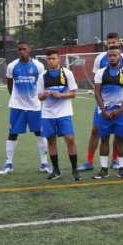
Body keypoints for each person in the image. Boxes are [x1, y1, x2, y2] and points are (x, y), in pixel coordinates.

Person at [79, 33, 123, 171]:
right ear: (106, 44)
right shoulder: (100, 59)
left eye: (113, 42)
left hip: (120, 105)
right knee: (95, 131)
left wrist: (121, 107)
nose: (111, 45)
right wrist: (103, 107)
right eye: (109, 43)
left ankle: (115, 160)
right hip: (102, 104)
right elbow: (97, 80)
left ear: (119, 43)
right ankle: (89, 162)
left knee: (118, 134)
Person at [0, 41, 49, 175]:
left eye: (24, 49)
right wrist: (16, 98)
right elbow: (9, 84)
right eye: (19, 49)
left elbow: (42, 84)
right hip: (17, 106)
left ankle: (44, 163)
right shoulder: (12, 66)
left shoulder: (38, 66)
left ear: (30, 50)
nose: (21, 51)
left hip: (35, 106)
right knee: (12, 133)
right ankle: (8, 163)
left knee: (40, 133)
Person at [92, 46, 123, 180]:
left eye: (115, 55)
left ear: (119, 57)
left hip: (120, 112)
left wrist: (120, 110)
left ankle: (121, 170)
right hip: (104, 112)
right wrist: (103, 110)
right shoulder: (100, 73)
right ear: (107, 57)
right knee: (104, 139)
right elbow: (97, 93)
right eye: (110, 56)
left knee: (120, 140)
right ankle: (104, 170)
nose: (112, 58)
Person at [36, 50, 79, 181]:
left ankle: (74, 170)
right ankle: (56, 170)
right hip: (48, 114)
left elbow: (73, 94)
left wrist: (60, 95)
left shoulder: (67, 73)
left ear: (58, 59)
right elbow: (39, 97)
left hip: (64, 113)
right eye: (49, 59)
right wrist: (44, 95)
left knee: (69, 139)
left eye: (53, 58)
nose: (51, 61)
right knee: (51, 141)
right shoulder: (42, 76)